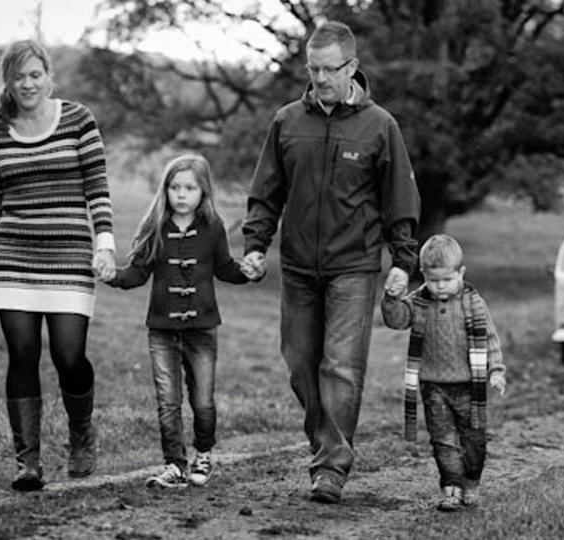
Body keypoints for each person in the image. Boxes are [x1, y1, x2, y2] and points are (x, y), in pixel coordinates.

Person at [240, 20, 421, 504]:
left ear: (352, 68)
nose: (319, 79)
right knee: (301, 365)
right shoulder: (286, 122)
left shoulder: (380, 126)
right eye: (312, 69)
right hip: (298, 267)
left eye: (329, 69)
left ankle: (331, 467)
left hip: (354, 267)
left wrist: (403, 259)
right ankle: (326, 442)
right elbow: (266, 191)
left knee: (340, 366)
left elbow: (399, 199)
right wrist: (256, 244)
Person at [0, 39, 117, 491]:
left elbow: (97, 187)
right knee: (23, 353)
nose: (28, 83)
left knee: (69, 356)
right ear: (8, 83)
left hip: (69, 252)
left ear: (48, 76)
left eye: (35, 74)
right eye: (19, 77)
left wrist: (105, 244)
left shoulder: (78, 119)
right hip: (14, 257)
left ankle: (80, 435)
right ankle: (28, 463)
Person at [106, 154, 251, 488]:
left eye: (189, 188)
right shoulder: (155, 226)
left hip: (202, 329)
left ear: (203, 192)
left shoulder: (213, 227)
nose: (181, 194)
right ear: (165, 189)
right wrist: (111, 275)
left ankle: (203, 453)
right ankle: (174, 464)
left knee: (203, 399)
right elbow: (137, 274)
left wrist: (248, 272)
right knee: (168, 401)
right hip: (162, 330)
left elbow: (224, 269)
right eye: (174, 187)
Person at [381, 234, 506, 511]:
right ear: (423, 274)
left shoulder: (473, 303)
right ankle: (450, 487)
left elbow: (489, 337)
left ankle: (471, 481)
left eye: (447, 280)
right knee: (443, 440)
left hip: (468, 387)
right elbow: (396, 319)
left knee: (473, 441)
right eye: (433, 281)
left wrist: (496, 369)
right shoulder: (420, 301)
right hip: (432, 384)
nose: (439, 287)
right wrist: (391, 299)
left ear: (461, 273)